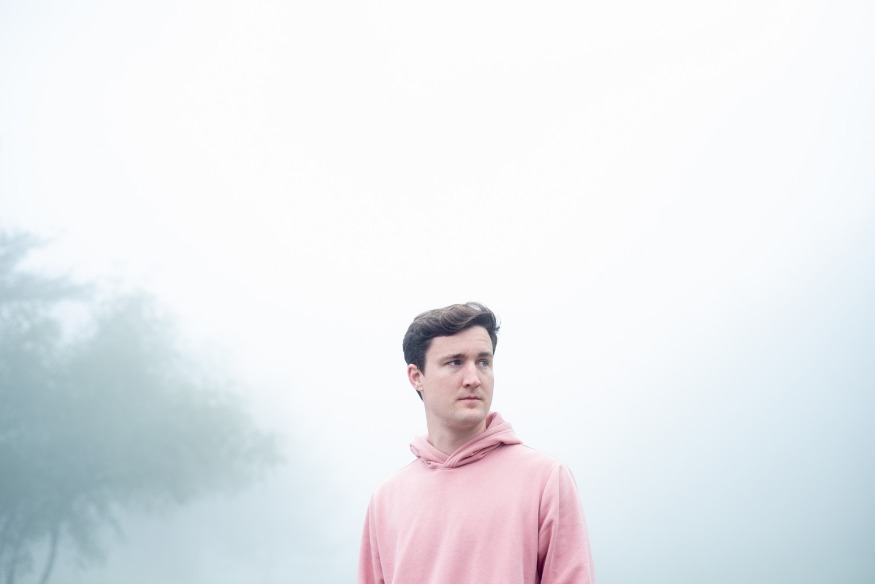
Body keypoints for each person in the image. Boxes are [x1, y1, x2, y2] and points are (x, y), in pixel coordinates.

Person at [358, 302, 595, 584]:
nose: (473, 379)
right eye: (455, 362)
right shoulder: (386, 500)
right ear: (416, 376)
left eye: (483, 362)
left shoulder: (545, 480)